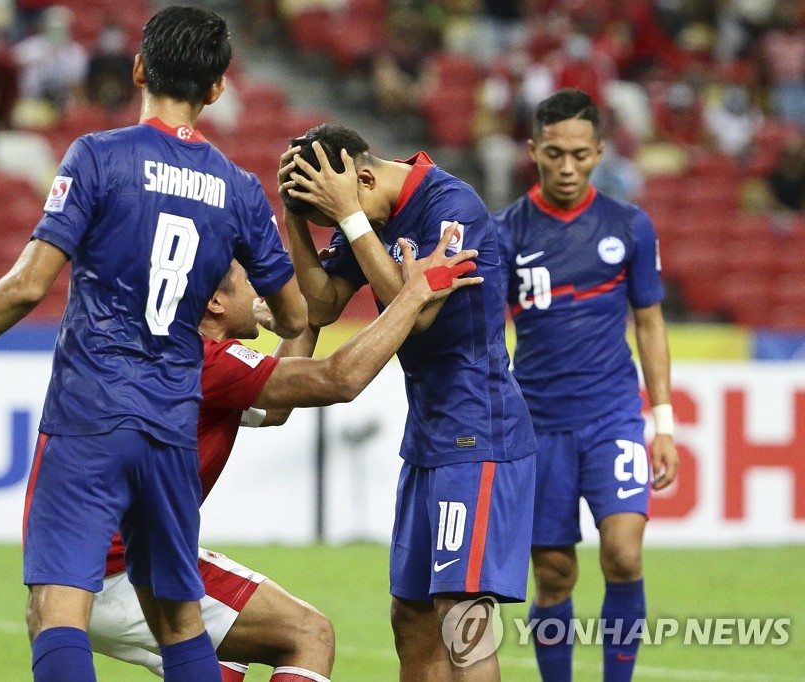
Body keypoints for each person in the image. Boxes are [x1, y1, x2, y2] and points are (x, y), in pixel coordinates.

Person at [0, 7, 308, 682]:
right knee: (178, 622)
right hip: (173, 424)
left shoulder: (98, 156)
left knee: (57, 610)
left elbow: (29, 286)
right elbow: (293, 317)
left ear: (140, 69)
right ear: (216, 90)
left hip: (90, 415)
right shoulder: (238, 190)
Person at [93, 233, 480, 681]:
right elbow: (340, 379)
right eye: (245, 285)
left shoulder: (171, 351)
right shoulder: (208, 363)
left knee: (231, 651)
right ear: (216, 304)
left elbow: (274, 408)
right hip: (128, 569)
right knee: (307, 634)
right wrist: (412, 295)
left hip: (86, 566)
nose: (259, 294)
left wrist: (304, 315)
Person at [280, 125, 538, 681]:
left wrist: (350, 218)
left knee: (461, 618)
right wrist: (297, 221)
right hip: (428, 437)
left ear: (364, 177)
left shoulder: (452, 206)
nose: (351, 228)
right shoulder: (368, 211)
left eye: (348, 211)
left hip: (478, 434)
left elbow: (415, 313)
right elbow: (321, 305)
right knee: (413, 615)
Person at [493, 88, 678, 682]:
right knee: (553, 575)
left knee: (623, 554)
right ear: (533, 151)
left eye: (578, 154)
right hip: (539, 425)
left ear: (600, 151)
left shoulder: (629, 226)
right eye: (553, 153)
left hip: (613, 417)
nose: (566, 167)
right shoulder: (506, 234)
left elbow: (649, 323)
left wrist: (664, 424)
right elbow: (489, 337)